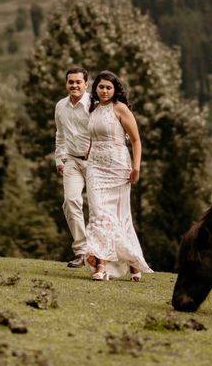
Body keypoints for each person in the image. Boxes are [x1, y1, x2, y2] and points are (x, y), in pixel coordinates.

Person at [84, 70, 152, 281]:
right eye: (101, 87)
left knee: (120, 217)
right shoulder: (93, 109)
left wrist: (136, 167)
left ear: (115, 90)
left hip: (118, 167)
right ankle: (102, 266)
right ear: (95, 88)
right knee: (98, 214)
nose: (104, 91)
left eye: (108, 87)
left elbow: (136, 140)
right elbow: (92, 137)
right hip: (95, 167)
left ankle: (132, 262)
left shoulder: (120, 109)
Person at [54, 66, 92, 268]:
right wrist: (60, 159)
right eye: (71, 82)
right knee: (70, 201)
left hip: (96, 162)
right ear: (66, 83)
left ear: (86, 84)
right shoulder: (60, 106)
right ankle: (81, 251)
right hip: (72, 160)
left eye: (79, 82)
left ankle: (102, 254)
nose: (74, 85)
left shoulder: (94, 104)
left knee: (98, 207)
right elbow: (59, 134)